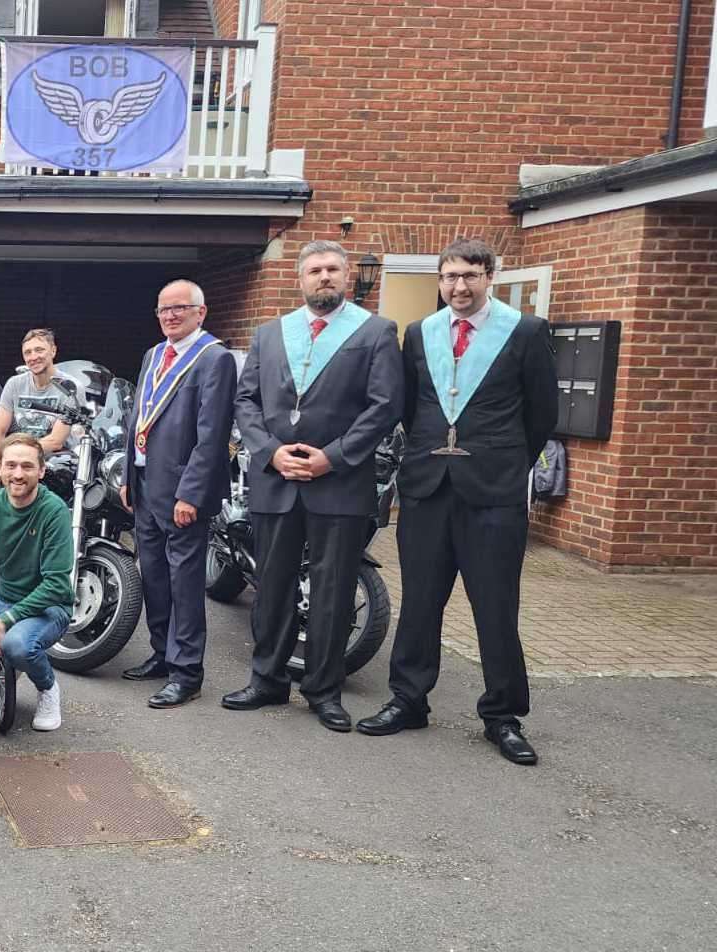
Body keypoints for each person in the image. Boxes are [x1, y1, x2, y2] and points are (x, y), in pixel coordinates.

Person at [356, 238, 558, 766]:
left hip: (492, 493)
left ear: (490, 276)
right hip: (427, 488)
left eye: (469, 276)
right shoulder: (421, 333)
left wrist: (501, 463)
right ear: (439, 281)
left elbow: (541, 415)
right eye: (449, 278)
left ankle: (502, 716)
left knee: (495, 606)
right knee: (420, 602)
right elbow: (410, 407)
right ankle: (408, 699)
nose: (458, 287)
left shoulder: (526, 331)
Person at [224, 240, 402, 732]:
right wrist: (268, 450)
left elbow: (384, 405)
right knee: (273, 584)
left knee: (332, 589)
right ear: (300, 279)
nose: (324, 277)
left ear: (345, 277)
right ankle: (267, 680)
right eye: (315, 270)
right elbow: (246, 401)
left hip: (339, 482)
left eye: (332, 269)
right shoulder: (269, 333)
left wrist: (333, 458)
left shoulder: (375, 331)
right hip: (276, 477)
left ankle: (323, 690)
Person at [119, 281, 237, 708]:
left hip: (183, 491)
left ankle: (187, 671)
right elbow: (139, 416)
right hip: (146, 482)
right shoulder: (154, 354)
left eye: (180, 309)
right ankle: (162, 654)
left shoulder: (214, 358)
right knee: (153, 572)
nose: (170, 316)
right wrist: (129, 477)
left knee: (184, 581)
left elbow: (212, 436)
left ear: (200, 313)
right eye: (163, 309)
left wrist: (192, 493)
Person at [0, 434, 74, 732]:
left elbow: (57, 586)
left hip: (49, 608)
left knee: (17, 644)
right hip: (3, 597)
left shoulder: (54, 511)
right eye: (10, 465)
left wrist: (8, 619)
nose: (18, 474)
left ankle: (48, 688)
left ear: (41, 471)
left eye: (27, 466)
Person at [0, 328, 77, 502]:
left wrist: (15, 454)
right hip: (19, 466)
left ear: (53, 350)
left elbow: (56, 440)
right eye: (28, 352)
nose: (33, 357)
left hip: (56, 467)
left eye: (39, 350)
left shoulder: (69, 387)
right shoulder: (14, 384)